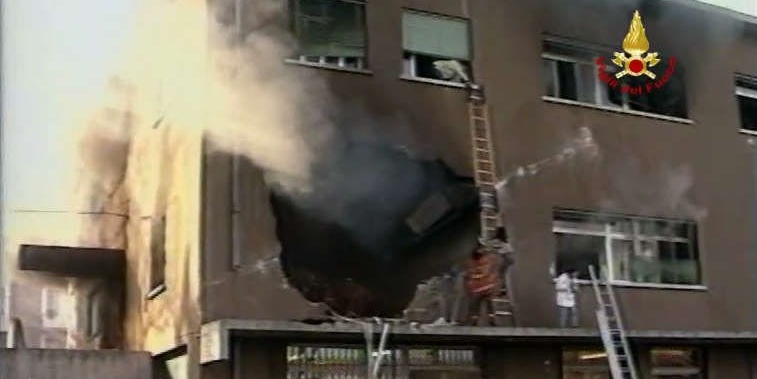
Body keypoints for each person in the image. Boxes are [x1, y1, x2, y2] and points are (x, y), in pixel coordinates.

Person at [465, 245, 500, 326]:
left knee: (476, 307)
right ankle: (492, 321)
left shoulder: (471, 264)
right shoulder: (485, 262)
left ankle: (474, 322)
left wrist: (470, 288)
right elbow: (489, 272)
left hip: (477, 290)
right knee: (489, 306)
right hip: (486, 288)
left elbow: (470, 276)